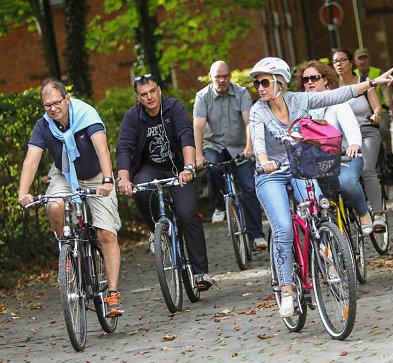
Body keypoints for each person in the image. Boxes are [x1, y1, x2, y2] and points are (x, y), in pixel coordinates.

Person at [250, 57, 393, 318]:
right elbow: (258, 141)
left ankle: (328, 262)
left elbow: (339, 94)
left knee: (319, 209)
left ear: (279, 83)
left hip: (299, 167)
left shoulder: (298, 100)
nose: (259, 88)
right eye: (256, 83)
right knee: (283, 227)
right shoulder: (257, 110)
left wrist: (372, 82)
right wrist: (263, 160)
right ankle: (286, 290)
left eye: (264, 82)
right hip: (270, 174)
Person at [18, 80, 124, 317]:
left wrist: (108, 180)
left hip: (97, 176)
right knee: (54, 205)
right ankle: (67, 250)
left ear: (67, 99)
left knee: (106, 233)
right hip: (65, 174)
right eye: (48, 105)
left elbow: (102, 150)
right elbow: (31, 160)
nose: (53, 108)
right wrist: (22, 192)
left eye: (57, 102)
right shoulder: (44, 126)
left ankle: (113, 294)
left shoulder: (87, 115)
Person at [116, 74, 213, 291]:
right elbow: (124, 148)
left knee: (187, 214)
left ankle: (200, 272)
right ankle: (158, 232)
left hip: (178, 167)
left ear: (159, 90)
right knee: (142, 191)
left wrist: (188, 167)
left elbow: (186, 136)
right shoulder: (133, 116)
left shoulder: (173, 107)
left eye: (152, 91)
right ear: (138, 97)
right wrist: (123, 179)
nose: (149, 97)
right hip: (149, 168)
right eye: (144, 94)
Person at [193, 61, 267, 248]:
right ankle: (219, 205)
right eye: (218, 76)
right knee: (212, 167)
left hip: (239, 146)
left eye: (225, 76)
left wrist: (250, 146)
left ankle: (257, 235)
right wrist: (198, 154)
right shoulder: (202, 96)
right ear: (211, 77)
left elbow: (249, 121)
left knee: (249, 188)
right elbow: (198, 125)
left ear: (230, 76)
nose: (222, 80)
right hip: (214, 144)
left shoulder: (240, 93)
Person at [295, 60, 372, 234]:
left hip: (344, 157)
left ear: (326, 80)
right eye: (305, 80)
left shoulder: (338, 102)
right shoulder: (300, 107)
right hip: (315, 164)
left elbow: (351, 128)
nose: (309, 82)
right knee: (308, 199)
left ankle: (363, 213)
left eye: (314, 78)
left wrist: (354, 144)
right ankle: (323, 239)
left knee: (346, 183)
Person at [333, 49, 387, 231]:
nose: (338, 64)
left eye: (342, 60)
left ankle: (378, 214)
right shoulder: (331, 88)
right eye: (335, 62)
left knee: (367, 169)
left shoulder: (364, 83)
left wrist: (376, 116)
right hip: (343, 137)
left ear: (351, 63)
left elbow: (377, 107)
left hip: (366, 132)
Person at [354, 48, 393, 153]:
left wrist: (390, 103)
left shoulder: (377, 72)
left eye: (365, 58)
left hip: (379, 109)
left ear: (369, 60)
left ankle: (389, 154)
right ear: (355, 61)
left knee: (384, 130)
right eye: (360, 59)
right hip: (360, 112)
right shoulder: (352, 75)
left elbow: (386, 91)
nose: (363, 61)